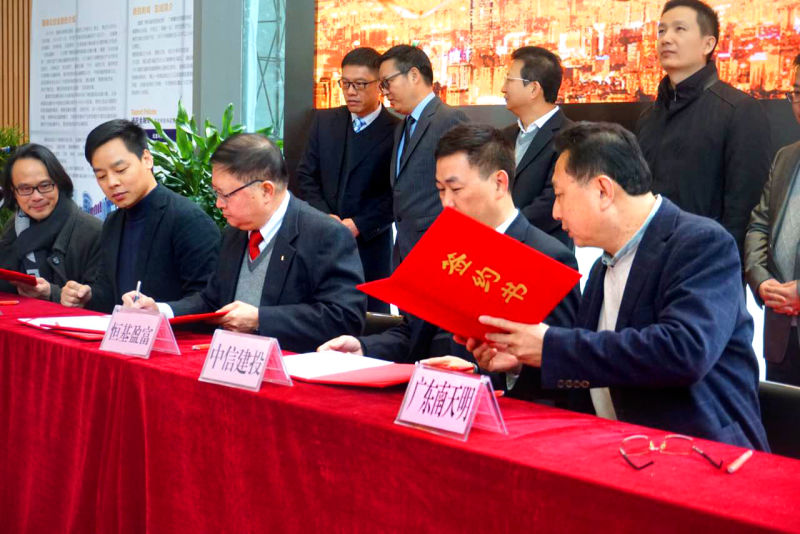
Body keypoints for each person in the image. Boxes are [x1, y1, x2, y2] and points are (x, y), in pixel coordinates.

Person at [462, 122, 768, 450]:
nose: (555, 211)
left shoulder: (701, 244)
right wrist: (523, 361)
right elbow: (596, 367)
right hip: (617, 451)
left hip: (701, 454)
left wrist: (550, 346)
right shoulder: (602, 267)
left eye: (560, 195)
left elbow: (684, 351)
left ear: (603, 191)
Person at [318, 124, 579, 401]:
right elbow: (414, 333)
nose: (446, 203)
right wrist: (363, 348)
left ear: (499, 183)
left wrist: (489, 370)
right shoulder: (444, 249)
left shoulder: (549, 258)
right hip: (428, 400)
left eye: (456, 189)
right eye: (441, 190)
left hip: (503, 411)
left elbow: (563, 369)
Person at [125, 133, 366, 353]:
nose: (219, 204)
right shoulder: (235, 234)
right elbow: (212, 301)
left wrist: (261, 319)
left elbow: (345, 317)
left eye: (226, 195)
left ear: (266, 191)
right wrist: (160, 311)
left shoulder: (325, 235)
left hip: (295, 370)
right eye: (216, 193)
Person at [635, 0, 771, 261]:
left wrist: (721, 265)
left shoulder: (739, 110)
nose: (666, 39)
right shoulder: (649, 117)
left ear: (708, 44)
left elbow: (745, 208)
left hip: (707, 263)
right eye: (662, 31)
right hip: (649, 260)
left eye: (679, 29)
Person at [60, 119, 220, 312]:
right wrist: (87, 296)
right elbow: (110, 293)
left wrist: (160, 310)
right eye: (101, 176)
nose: (112, 182)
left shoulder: (188, 219)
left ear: (146, 159)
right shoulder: (113, 222)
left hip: (173, 331)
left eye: (120, 170)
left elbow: (208, 299)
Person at [296, 47, 399, 312]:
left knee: (370, 319)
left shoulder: (396, 130)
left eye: (360, 84)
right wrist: (324, 217)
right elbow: (306, 176)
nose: (351, 91)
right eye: (345, 83)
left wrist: (359, 224)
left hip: (370, 245)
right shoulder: (324, 121)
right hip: (322, 239)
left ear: (379, 86)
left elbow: (397, 193)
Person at [378, 44, 468, 267]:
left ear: (414, 75)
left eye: (387, 82)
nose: (384, 92)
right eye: (381, 85)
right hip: (404, 250)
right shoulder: (402, 126)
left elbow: (464, 192)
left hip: (439, 251)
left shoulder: (449, 120)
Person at [744, 54, 800, 387]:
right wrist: (760, 279)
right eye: (798, 93)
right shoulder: (785, 157)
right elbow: (759, 225)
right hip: (781, 338)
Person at [0, 143, 102, 302]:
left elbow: (102, 299)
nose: (36, 197)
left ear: (59, 184)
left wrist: (53, 293)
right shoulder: (13, 227)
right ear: (13, 192)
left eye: (45, 185)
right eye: (25, 189)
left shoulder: (92, 232)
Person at [502, 46, 572, 247]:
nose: (503, 88)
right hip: (499, 248)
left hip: (543, 250)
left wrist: (506, 228)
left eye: (509, 80)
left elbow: (552, 200)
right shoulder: (503, 136)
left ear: (533, 89)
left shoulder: (570, 137)